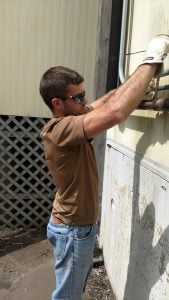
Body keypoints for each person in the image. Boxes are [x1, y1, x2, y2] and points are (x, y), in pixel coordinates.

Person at [39, 34, 169, 300]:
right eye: (78, 97)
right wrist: (151, 60)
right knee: (67, 296)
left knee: (72, 290)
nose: (84, 101)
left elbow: (110, 99)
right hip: (73, 230)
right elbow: (115, 113)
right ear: (57, 104)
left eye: (84, 94)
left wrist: (137, 83)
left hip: (74, 227)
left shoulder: (75, 115)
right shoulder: (59, 129)